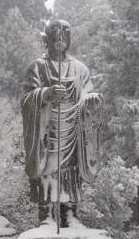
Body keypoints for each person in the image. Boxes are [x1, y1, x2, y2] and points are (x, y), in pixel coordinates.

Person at [20, 20, 103, 227]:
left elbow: (88, 94)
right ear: (45, 39)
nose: (61, 39)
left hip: (73, 129)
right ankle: (46, 214)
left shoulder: (80, 68)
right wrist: (45, 95)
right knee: (47, 167)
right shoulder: (37, 67)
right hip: (47, 130)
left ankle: (70, 213)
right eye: (56, 34)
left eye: (66, 35)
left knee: (71, 169)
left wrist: (91, 102)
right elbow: (25, 99)